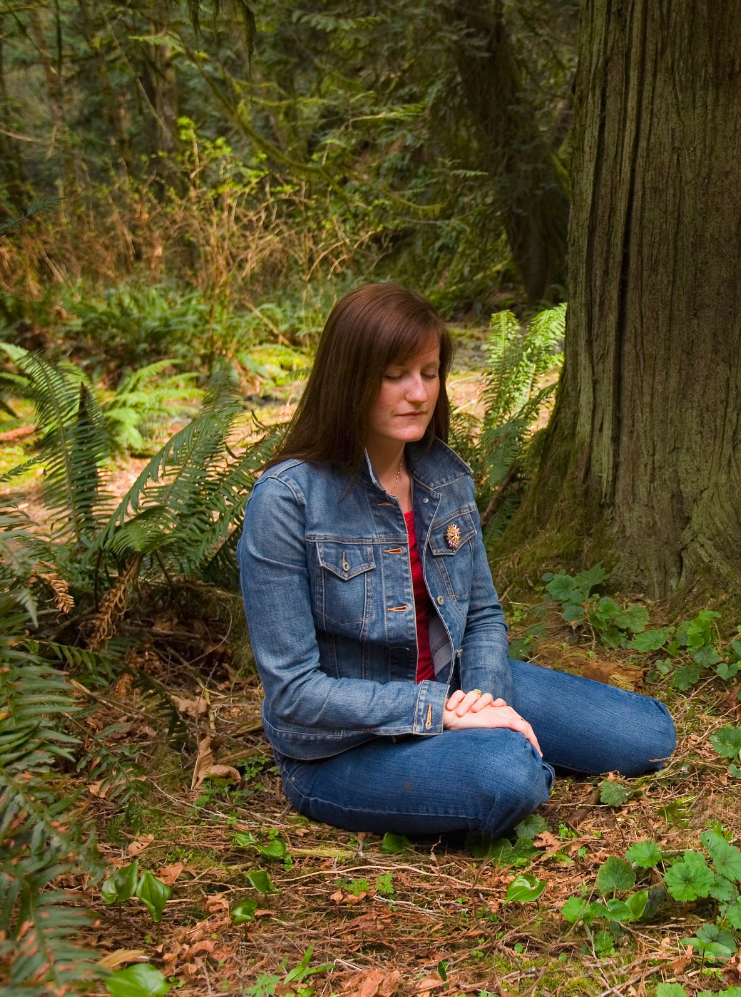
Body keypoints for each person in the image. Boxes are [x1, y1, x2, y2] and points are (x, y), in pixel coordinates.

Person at [237, 283, 675, 839]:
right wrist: (443, 713)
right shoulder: (287, 500)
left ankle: (476, 749)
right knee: (507, 773)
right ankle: (479, 758)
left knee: (648, 737)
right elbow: (296, 693)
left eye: (429, 371)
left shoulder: (443, 477)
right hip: (341, 749)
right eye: (394, 374)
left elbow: (484, 615)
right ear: (348, 378)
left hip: (456, 685)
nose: (417, 393)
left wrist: (486, 700)